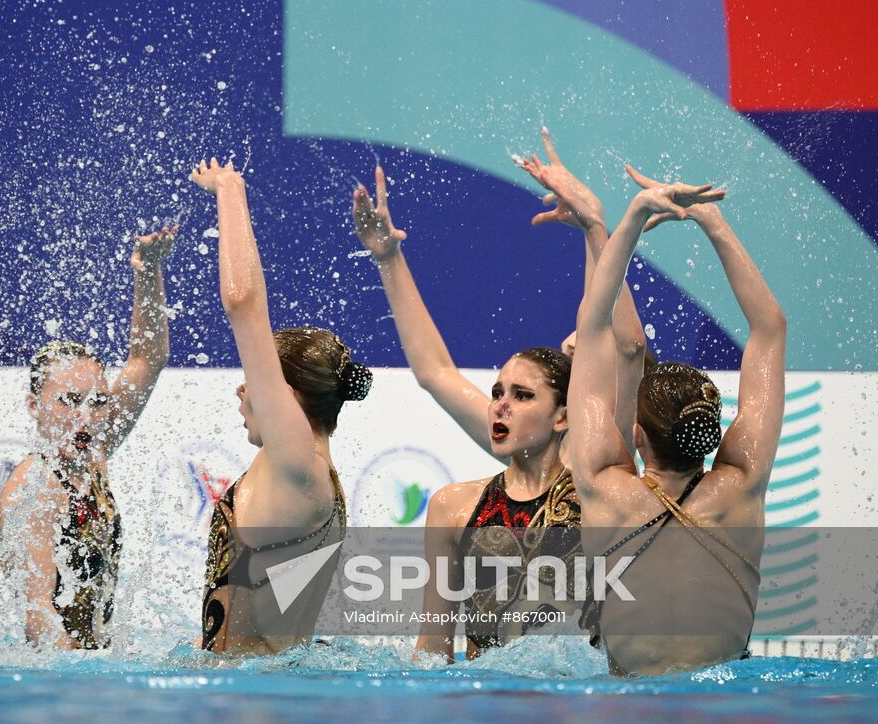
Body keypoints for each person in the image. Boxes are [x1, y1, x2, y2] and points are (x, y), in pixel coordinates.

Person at [351, 136, 647, 661]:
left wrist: (594, 229)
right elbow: (435, 371)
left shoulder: (596, 477)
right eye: (497, 393)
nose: (500, 405)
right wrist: (389, 258)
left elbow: (623, 348)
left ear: (563, 416)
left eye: (522, 395)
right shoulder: (454, 507)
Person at [568, 167, 780, 675]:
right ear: (711, 430)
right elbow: (769, 328)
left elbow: (594, 328)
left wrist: (636, 214)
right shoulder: (742, 487)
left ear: (636, 435)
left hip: (631, 706)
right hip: (728, 701)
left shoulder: (602, 487)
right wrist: (714, 222)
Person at [191, 158, 371, 655]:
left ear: (287, 400)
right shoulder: (313, 478)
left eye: (255, 382)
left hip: (249, 704)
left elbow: (243, 302)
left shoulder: (297, 465)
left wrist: (229, 190)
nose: (242, 392)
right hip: (263, 687)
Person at [0, 226, 176, 650]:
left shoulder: (90, 451)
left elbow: (149, 358)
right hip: (59, 681)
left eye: (97, 402)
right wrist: (92, 679)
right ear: (35, 405)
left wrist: (148, 272)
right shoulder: (32, 491)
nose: (86, 416)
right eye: (70, 401)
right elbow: (39, 616)